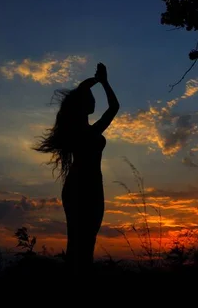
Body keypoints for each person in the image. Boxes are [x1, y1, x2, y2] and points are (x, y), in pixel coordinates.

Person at [33, 62, 119, 273]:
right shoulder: (85, 132)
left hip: (84, 186)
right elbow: (113, 108)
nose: (93, 100)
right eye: (90, 98)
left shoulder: (84, 130)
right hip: (85, 187)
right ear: (83, 105)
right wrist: (102, 83)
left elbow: (107, 105)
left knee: (81, 241)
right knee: (83, 242)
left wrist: (98, 82)